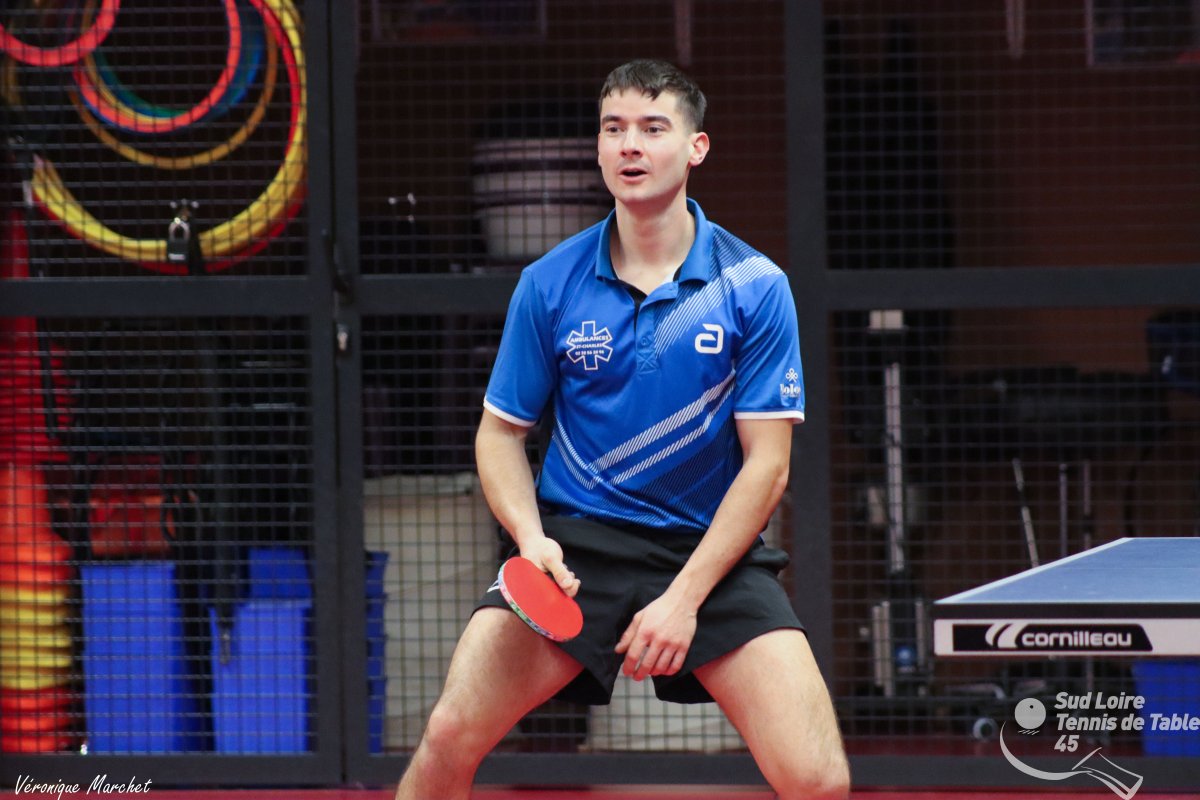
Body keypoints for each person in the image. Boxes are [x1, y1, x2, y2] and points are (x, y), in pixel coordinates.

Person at [394, 59, 850, 800]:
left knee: (818, 778)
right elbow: (500, 434)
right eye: (614, 129)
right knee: (448, 734)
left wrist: (684, 599)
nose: (629, 145)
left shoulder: (754, 286)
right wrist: (531, 539)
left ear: (696, 147)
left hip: (708, 552)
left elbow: (768, 466)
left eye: (652, 128)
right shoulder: (550, 282)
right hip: (577, 549)